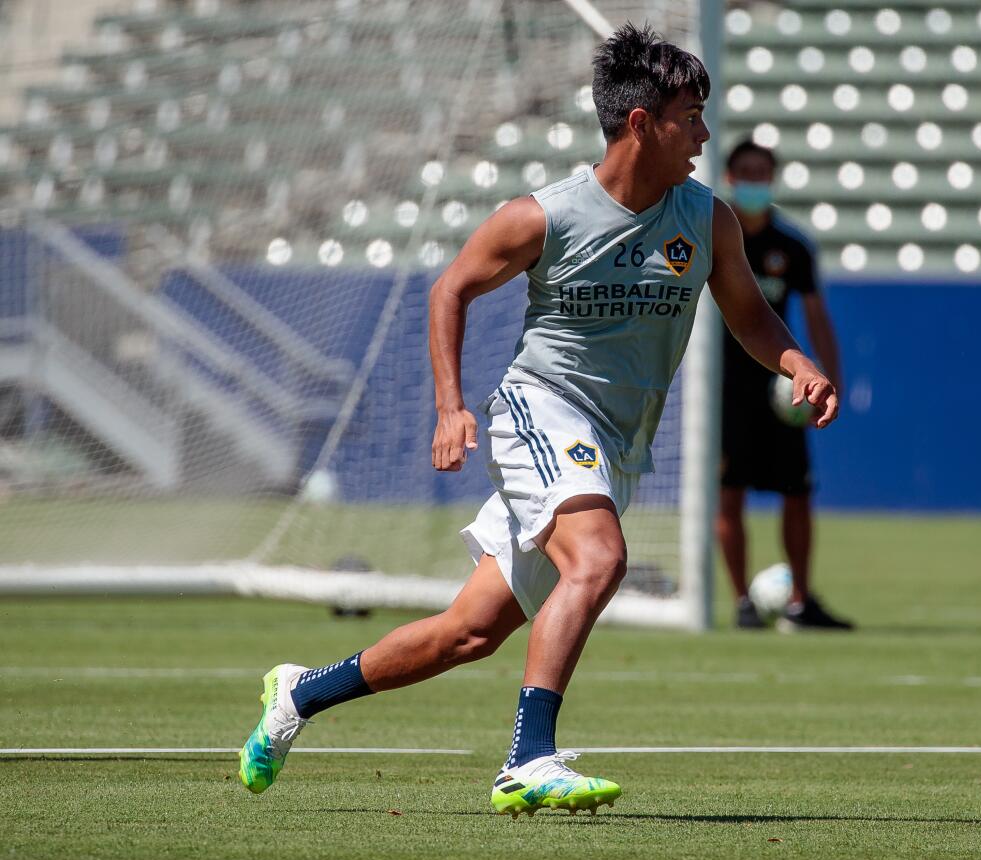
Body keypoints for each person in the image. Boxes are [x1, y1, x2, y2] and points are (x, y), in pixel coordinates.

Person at [237, 24, 838, 817]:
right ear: (640, 124)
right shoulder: (542, 216)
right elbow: (448, 289)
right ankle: (528, 759)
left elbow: (751, 317)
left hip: (612, 447)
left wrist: (796, 361)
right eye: (690, 116)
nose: (702, 134)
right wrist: (451, 407)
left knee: (469, 632)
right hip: (539, 412)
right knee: (599, 559)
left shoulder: (708, 218)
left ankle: (298, 695)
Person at [717, 139, 853, 631]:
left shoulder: (791, 247)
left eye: (763, 173)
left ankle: (798, 601)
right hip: (725, 393)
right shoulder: (712, 238)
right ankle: (742, 603)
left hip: (783, 391)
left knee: (797, 492)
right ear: (729, 178)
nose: (755, 181)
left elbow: (817, 320)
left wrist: (827, 380)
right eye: (745, 173)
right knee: (727, 492)